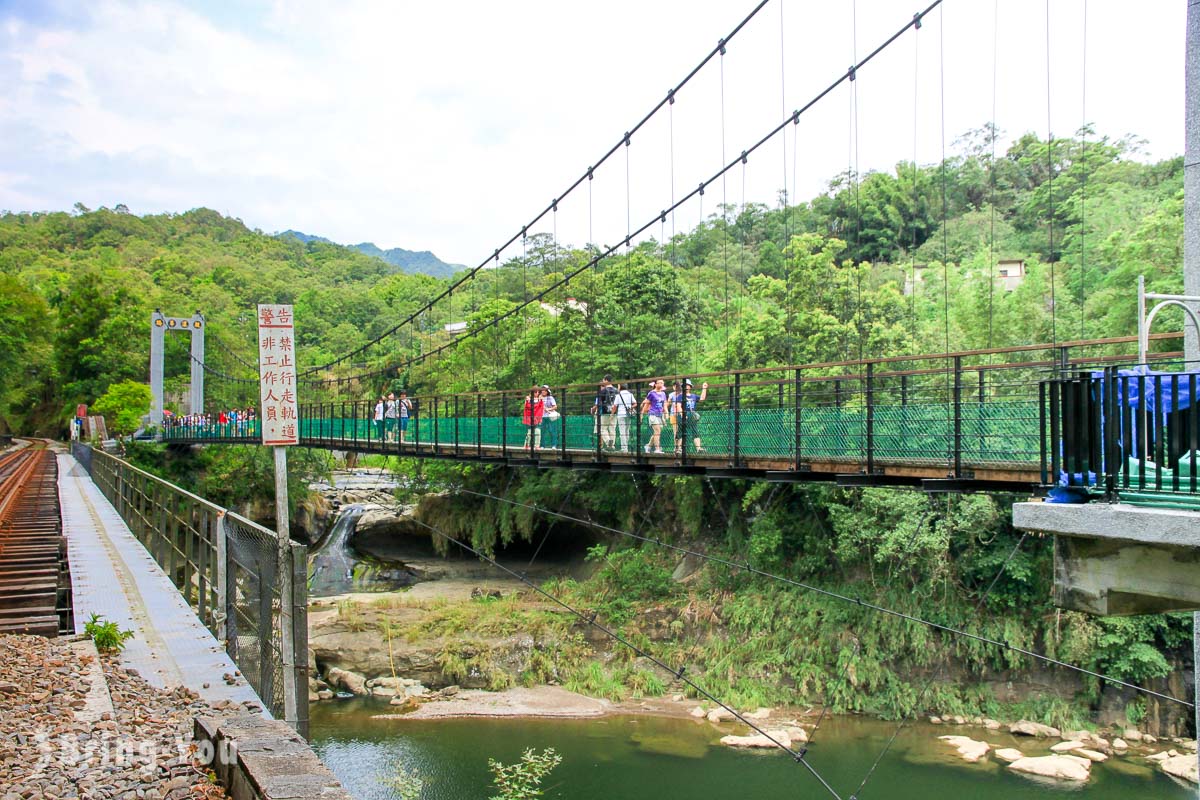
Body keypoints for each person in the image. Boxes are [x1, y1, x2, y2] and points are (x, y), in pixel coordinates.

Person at [670, 379, 709, 454]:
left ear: (690, 387)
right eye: (684, 385)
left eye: (687, 385)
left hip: (691, 415)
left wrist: (704, 388)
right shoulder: (680, 396)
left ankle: (699, 448)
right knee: (681, 431)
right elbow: (678, 406)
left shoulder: (693, 396)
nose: (686, 387)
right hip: (683, 415)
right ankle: (679, 448)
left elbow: (702, 398)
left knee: (695, 431)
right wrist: (682, 414)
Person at [591, 374, 618, 450]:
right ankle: (612, 445)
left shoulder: (603, 391)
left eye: (603, 380)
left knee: (602, 428)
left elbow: (599, 403)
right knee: (612, 429)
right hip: (614, 412)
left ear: (606, 380)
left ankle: (608, 441)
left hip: (605, 412)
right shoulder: (616, 390)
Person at [641, 379, 667, 454]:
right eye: (660, 383)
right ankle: (657, 449)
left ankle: (648, 446)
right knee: (657, 431)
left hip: (660, 415)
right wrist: (642, 414)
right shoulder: (651, 393)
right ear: (655, 384)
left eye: (663, 383)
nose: (662, 384)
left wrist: (666, 413)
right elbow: (646, 404)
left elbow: (664, 404)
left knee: (657, 432)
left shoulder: (663, 394)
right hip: (652, 414)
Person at [614, 382, 636, 452]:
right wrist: (629, 407)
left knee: (622, 432)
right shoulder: (630, 394)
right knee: (627, 431)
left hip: (621, 414)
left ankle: (624, 448)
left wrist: (612, 414)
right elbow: (635, 403)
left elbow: (615, 406)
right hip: (628, 414)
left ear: (620, 387)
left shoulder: (618, 395)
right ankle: (626, 447)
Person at [522, 385, 544, 450]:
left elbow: (540, 407)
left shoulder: (540, 399)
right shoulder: (528, 399)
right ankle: (526, 445)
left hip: (537, 417)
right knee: (529, 432)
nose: (537, 393)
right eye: (535, 392)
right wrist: (528, 401)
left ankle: (537, 446)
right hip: (529, 417)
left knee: (537, 431)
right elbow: (527, 407)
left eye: (538, 392)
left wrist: (540, 400)